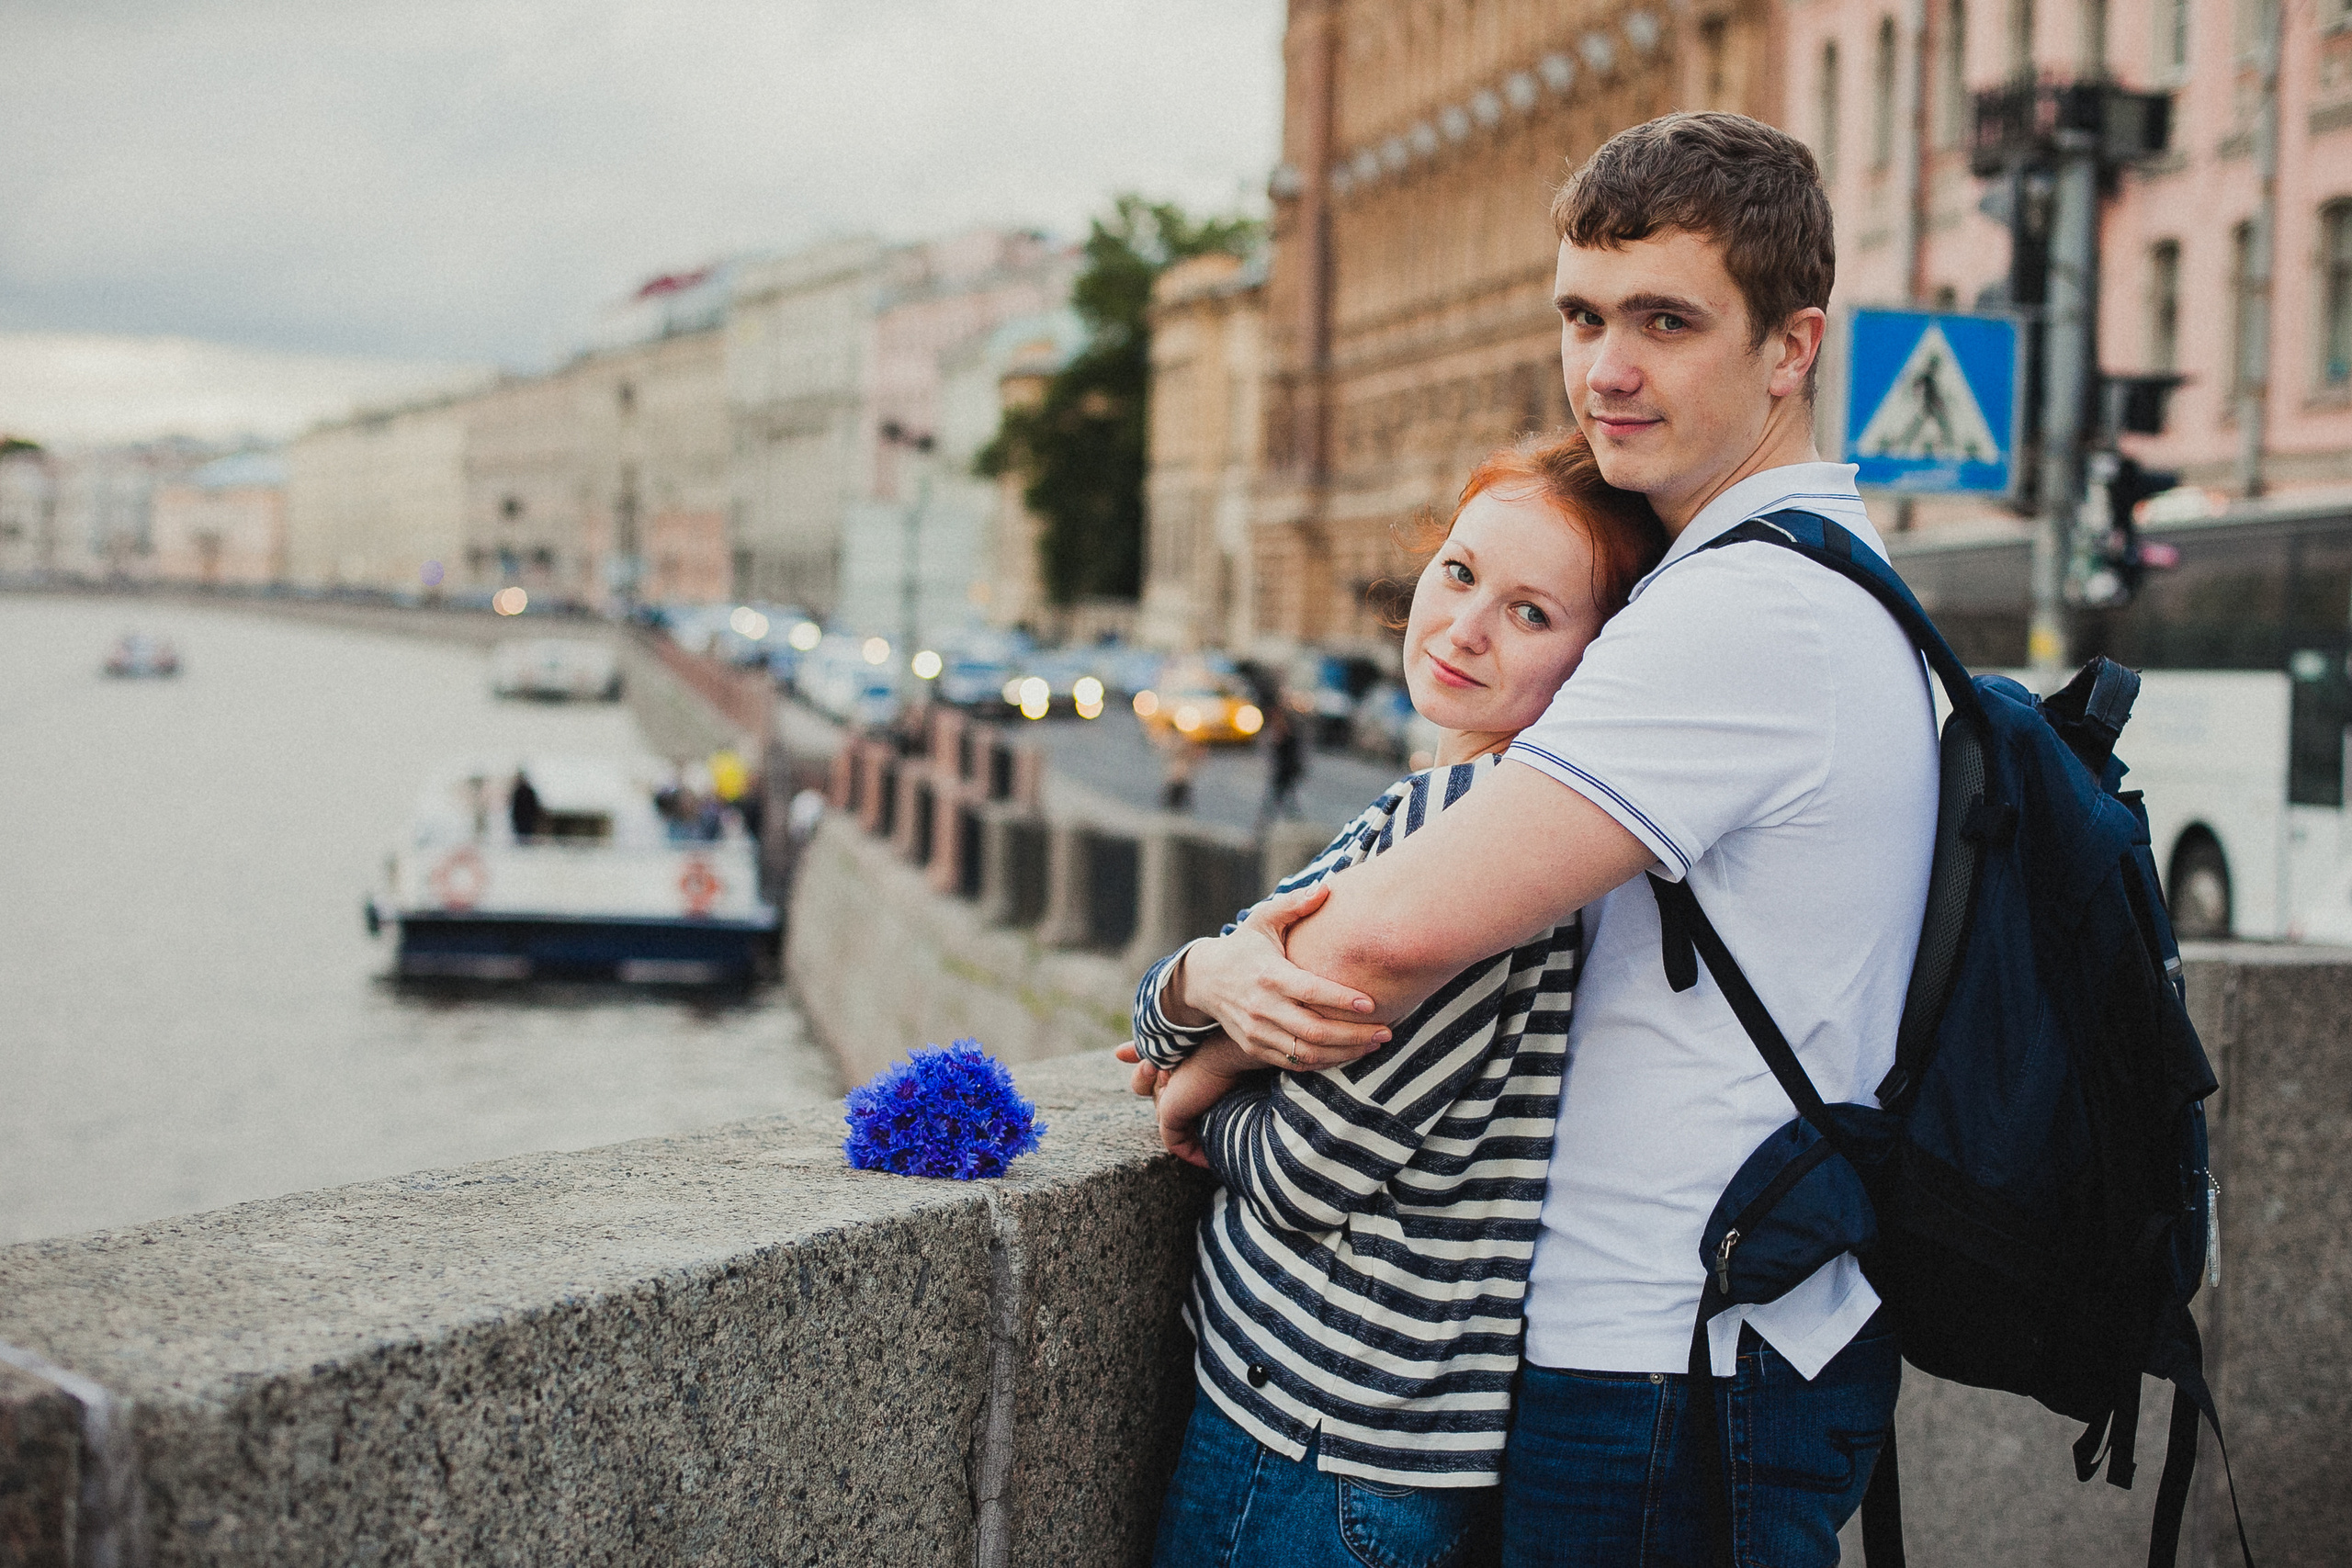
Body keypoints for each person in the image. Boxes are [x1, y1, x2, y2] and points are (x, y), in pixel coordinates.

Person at [1153, 112, 1939, 1567]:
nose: (1606, 370)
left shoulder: (1744, 609)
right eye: (1583, 316)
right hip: (1720, 1336)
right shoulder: (1818, 571)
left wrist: (1200, 1024)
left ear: (1792, 347)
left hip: (1669, 1358)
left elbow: (1384, 931)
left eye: (1665, 321)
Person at [1126, 429, 1666, 1568]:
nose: (1463, 627)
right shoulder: (1493, 823)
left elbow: (1308, 1169)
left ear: (1601, 661)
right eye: (1459, 572)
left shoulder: (1469, 840)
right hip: (1369, 1439)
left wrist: (1200, 1098)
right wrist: (1207, 992)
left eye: (1531, 613)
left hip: (1314, 1437)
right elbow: (1201, 991)